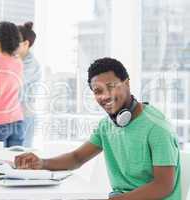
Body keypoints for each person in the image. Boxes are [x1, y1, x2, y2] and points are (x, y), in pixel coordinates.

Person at [15, 57, 181, 200]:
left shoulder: (157, 128)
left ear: (127, 83)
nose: (106, 96)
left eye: (111, 86)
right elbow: (77, 158)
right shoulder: (107, 125)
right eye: (98, 91)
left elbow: (163, 186)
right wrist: (41, 163)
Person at [17, 22, 42, 147]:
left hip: (24, 117)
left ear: (26, 44)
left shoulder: (31, 65)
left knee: (21, 157)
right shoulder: (16, 60)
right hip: (14, 116)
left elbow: (12, 82)